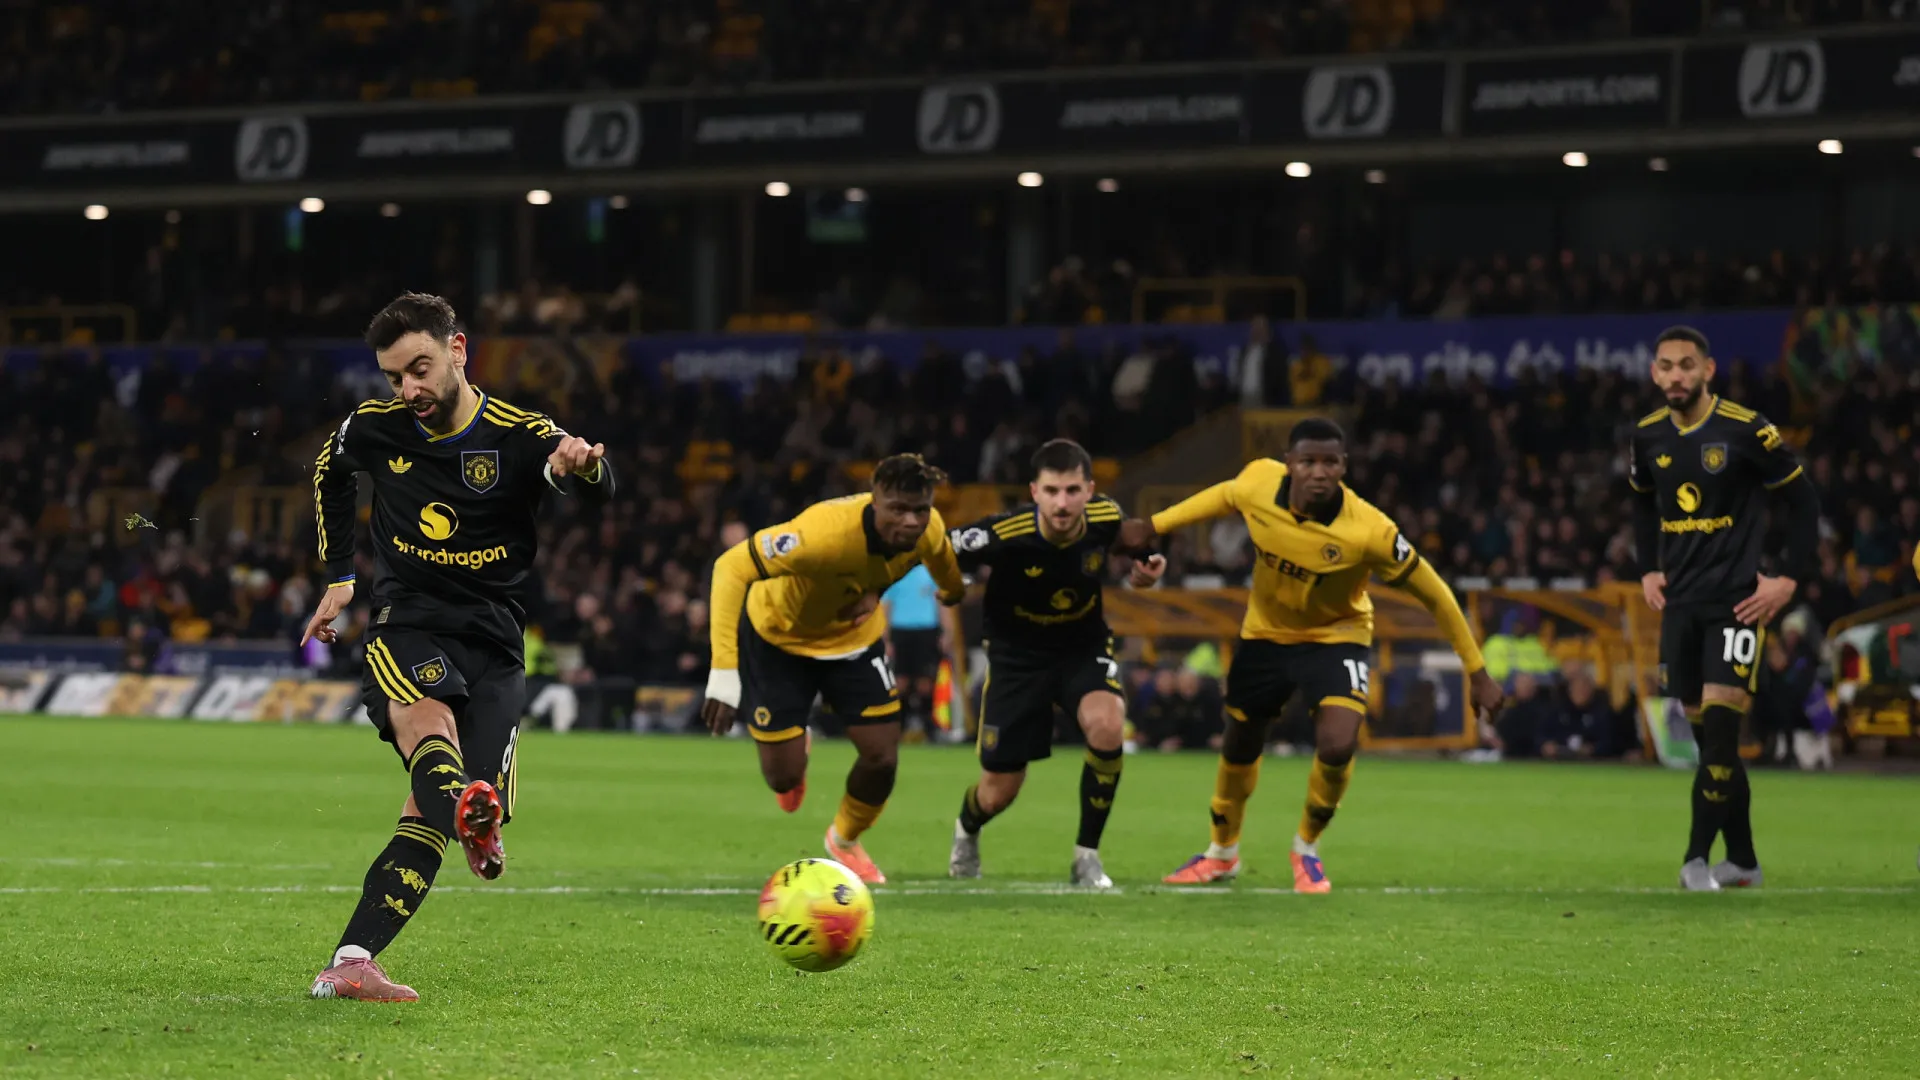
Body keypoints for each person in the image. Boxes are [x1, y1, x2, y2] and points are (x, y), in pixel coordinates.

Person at [303, 293, 613, 1002]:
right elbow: (330, 471)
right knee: (429, 730)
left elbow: (597, 490)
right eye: (393, 377)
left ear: (458, 350)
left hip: (497, 637)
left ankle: (351, 963)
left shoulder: (518, 433)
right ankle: (470, 806)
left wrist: (584, 467)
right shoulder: (375, 429)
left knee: (431, 810)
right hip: (407, 619)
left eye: (418, 368)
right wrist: (342, 577)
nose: (408, 389)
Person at [1117, 418, 1503, 892]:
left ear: (1344, 466)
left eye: (1330, 462)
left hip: (1336, 636)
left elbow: (1438, 595)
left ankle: (1307, 847)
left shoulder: (1370, 531)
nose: (1319, 472)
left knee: (1339, 742)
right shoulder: (1259, 481)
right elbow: (1223, 495)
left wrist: (1477, 670)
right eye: (1309, 461)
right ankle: (1222, 852)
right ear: (1289, 464)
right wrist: (1153, 526)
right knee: (1240, 740)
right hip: (1264, 635)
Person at [700, 454, 965, 885]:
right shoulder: (821, 533)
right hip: (779, 640)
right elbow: (731, 567)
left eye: (920, 509)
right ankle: (795, 748)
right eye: (898, 509)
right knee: (781, 778)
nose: (912, 521)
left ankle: (843, 841)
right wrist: (723, 673)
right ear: (874, 502)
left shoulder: (927, 529)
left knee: (882, 757)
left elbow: (942, 564)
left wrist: (952, 592)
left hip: (852, 643)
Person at [1629, 325, 1817, 891]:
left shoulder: (1746, 430)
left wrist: (1788, 580)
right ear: (1655, 373)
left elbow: (1805, 502)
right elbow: (1642, 504)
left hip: (1737, 604)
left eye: (1687, 365)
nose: (1676, 376)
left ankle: (1693, 860)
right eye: (1665, 366)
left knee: (1718, 740)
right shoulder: (1646, 437)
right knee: (1712, 739)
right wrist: (1648, 566)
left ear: (1708, 371)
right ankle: (1744, 861)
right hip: (1681, 606)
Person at [942, 439, 1166, 888]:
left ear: (1090, 490)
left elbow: (1135, 547)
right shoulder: (1002, 533)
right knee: (999, 791)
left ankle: (1087, 856)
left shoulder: (1105, 518)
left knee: (1107, 725)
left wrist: (1147, 570)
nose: (1061, 503)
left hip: (1081, 648)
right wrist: (955, 580)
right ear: (1033, 492)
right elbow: (942, 549)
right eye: (1051, 491)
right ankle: (966, 829)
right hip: (1016, 658)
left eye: (1071, 490)